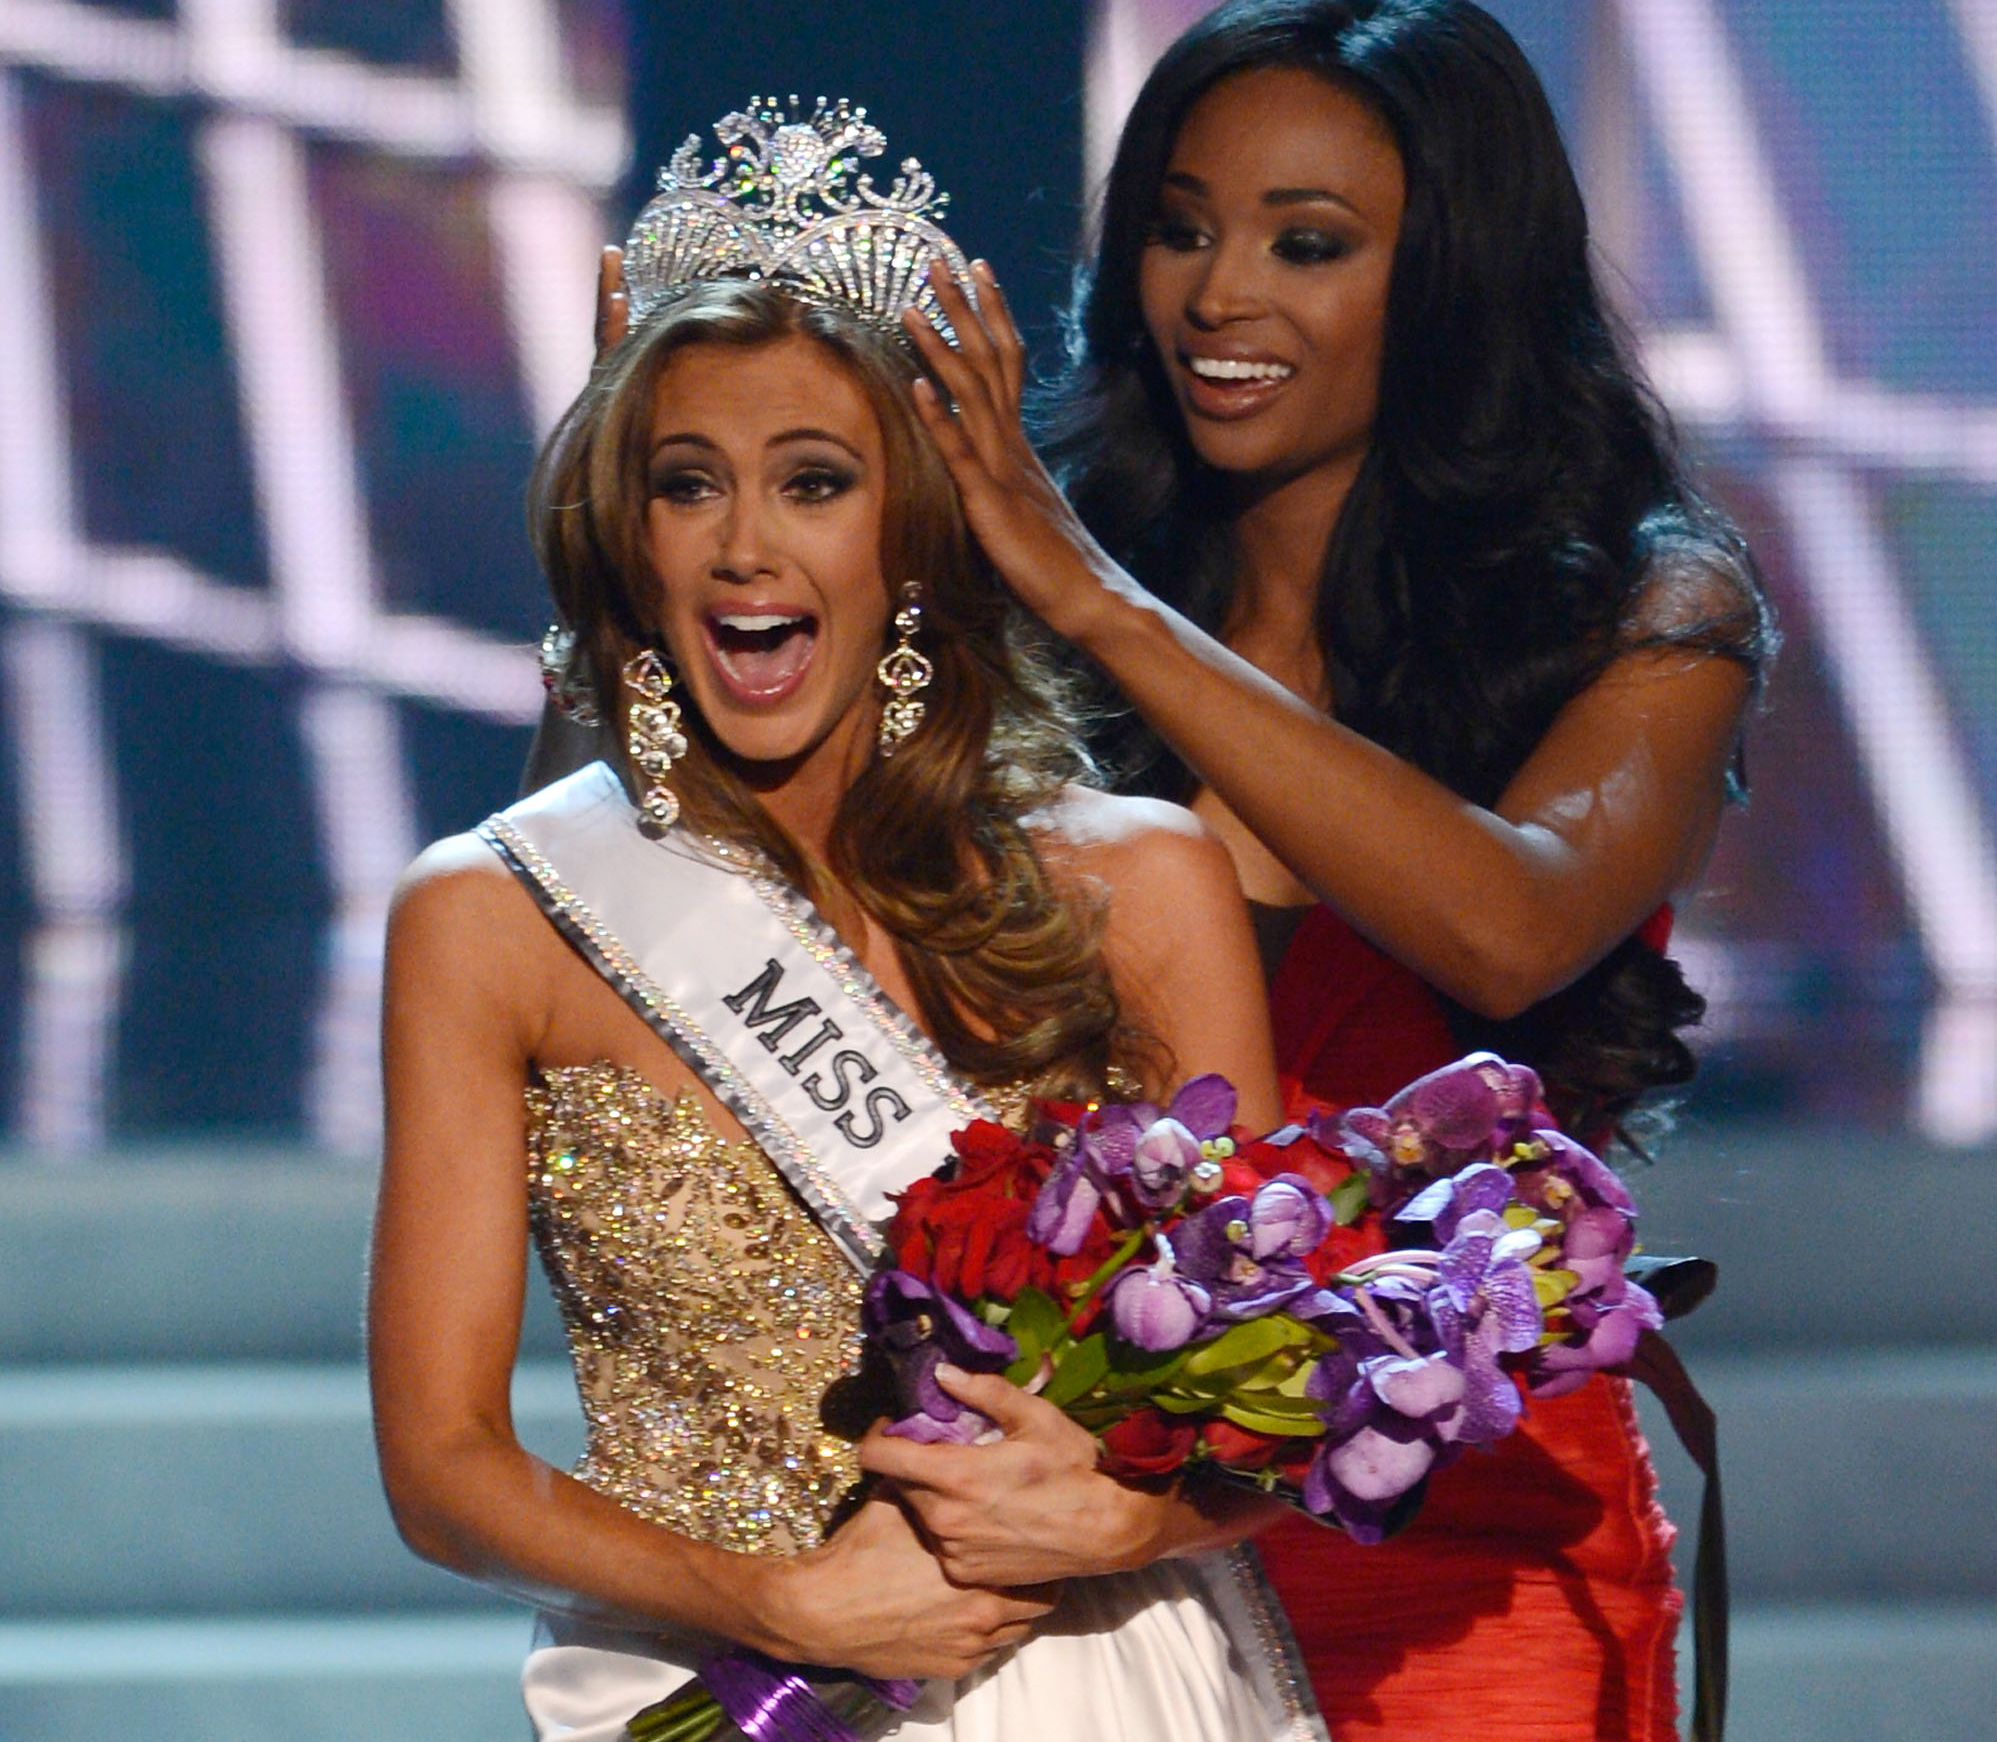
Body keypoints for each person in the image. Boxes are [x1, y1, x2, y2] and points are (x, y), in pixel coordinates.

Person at [874, 3, 1773, 1738]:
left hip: (1469, 1555)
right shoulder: (1033, 575)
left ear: (1452, 278)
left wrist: (1099, 612)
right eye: (1179, 226)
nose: (1217, 297)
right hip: (1081, 1535)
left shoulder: (1651, 607)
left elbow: (1503, 924)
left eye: (1308, 244)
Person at [368, 101, 1317, 1742]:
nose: (745, 545)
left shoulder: (1143, 884)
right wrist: (776, 1603)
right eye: (685, 483)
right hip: (719, 1687)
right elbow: (440, 1463)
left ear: (910, 537)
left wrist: (1132, 1516)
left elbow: (1273, 1394)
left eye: (813, 481)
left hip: (1112, 1686)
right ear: (632, 532)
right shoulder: (493, 918)